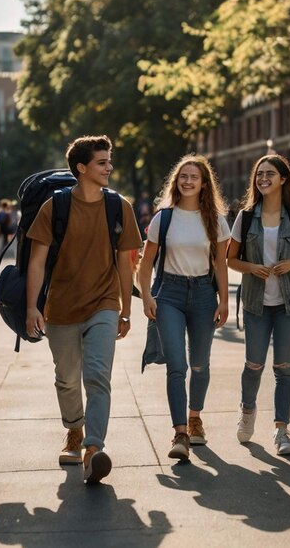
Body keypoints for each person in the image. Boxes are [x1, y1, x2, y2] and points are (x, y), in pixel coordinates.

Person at [25, 135, 142, 485]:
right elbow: (37, 263)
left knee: (97, 376)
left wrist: (124, 309)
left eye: (110, 161)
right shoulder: (55, 207)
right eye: (102, 162)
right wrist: (32, 306)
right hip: (60, 307)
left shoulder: (119, 206)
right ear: (81, 167)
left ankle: (93, 448)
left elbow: (126, 263)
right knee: (66, 377)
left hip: (103, 304)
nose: (109, 167)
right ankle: (73, 430)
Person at [227, 155, 290, 455]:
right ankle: (247, 412)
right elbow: (230, 259)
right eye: (259, 174)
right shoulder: (245, 217)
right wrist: (251, 268)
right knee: (253, 365)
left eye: (270, 173)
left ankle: (281, 431)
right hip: (256, 303)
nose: (263, 178)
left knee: (284, 368)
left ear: (284, 179)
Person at [137, 155, 230, 461]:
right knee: (178, 366)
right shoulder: (163, 218)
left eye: (194, 177)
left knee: (200, 363)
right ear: (176, 182)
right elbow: (145, 262)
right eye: (183, 177)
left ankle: (195, 417)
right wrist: (148, 297)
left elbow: (220, 264)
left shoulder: (216, 220)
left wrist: (224, 300)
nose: (188, 181)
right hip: (170, 296)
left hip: (204, 294)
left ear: (204, 184)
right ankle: (180, 434)